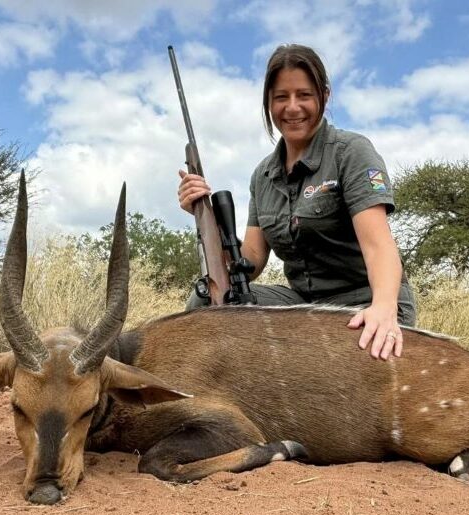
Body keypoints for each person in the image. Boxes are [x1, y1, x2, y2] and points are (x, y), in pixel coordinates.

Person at [177, 44, 416, 360]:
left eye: (304, 95)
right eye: (281, 97)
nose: (292, 107)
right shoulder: (262, 176)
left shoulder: (351, 152)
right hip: (304, 306)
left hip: (365, 300)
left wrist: (383, 308)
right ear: (268, 102)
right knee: (203, 300)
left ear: (324, 96)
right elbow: (250, 262)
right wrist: (204, 216)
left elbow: (379, 247)